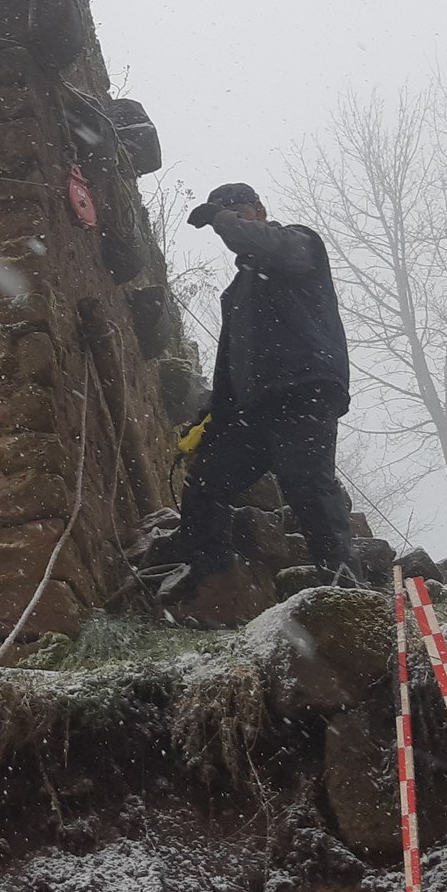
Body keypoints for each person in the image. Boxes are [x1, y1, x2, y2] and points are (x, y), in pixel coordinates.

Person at [155, 183, 356, 599]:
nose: (229, 226)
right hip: (254, 408)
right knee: (206, 484)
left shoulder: (299, 243)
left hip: (303, 388)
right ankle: (214, 587)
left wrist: (220, 218)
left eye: (238, 213)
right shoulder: (237, 292)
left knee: (308, 485)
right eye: (225, 219)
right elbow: (230, 364)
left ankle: (344, 588)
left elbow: (256, 241)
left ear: (259, 209)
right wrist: (212, 421)